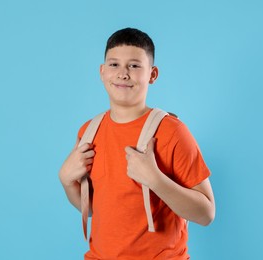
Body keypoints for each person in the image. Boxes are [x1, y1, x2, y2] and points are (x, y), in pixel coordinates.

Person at [59, 27, 215, 259]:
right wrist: (66, 180)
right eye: (114, 65)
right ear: (102, 72)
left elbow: (206, 214)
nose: (123, 73)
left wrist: (155, 179)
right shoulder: (89, 131)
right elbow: (92, 208)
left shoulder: (172, 132)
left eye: (134, 65)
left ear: (152, 74)